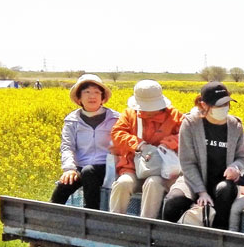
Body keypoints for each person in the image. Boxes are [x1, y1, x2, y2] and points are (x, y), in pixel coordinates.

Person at [163, 82, 244, 229]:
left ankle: (216, 241)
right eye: (218, 105)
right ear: (203, 105)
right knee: (173, 202)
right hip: (192, 180)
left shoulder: (235, 125)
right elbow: (187, 162)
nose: (223, 109)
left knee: (225, 191)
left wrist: (235, 167)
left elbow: (242, 157)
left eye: (226, 104)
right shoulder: (190, 123)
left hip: (222, 182)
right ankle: (168, 242)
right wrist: (201, 191)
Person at [109, 80, 184, 218]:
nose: (148, 111)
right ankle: (114, 224)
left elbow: (185, 135)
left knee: (153, 184)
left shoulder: (174, 116)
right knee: (122, 184)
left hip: (161, 170)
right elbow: (117, 134)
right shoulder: (129, 114)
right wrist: (138, 144)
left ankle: (145, 227)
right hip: (132, 168)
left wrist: (168, 143)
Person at [51, 74, 119, 209]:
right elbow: (67, 146)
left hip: (107, 167)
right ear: (79, 98)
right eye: (87, 92)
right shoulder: (72, 120)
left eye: (96, 92)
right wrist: (69, 169)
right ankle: (46, 219)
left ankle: (91, 215)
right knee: (65, 183)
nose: (92, 96)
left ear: (102, 98)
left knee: (89, 172)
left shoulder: (115, 119)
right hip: (80, 167)